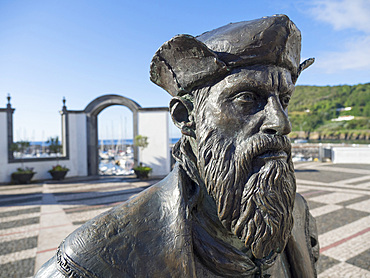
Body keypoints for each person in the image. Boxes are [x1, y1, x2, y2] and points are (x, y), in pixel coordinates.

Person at [35, 14, 319, 278]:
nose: (281, 122)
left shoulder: (299, 216)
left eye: (284, 101)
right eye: (247, 98)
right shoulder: (90, 261)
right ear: (185, 117)